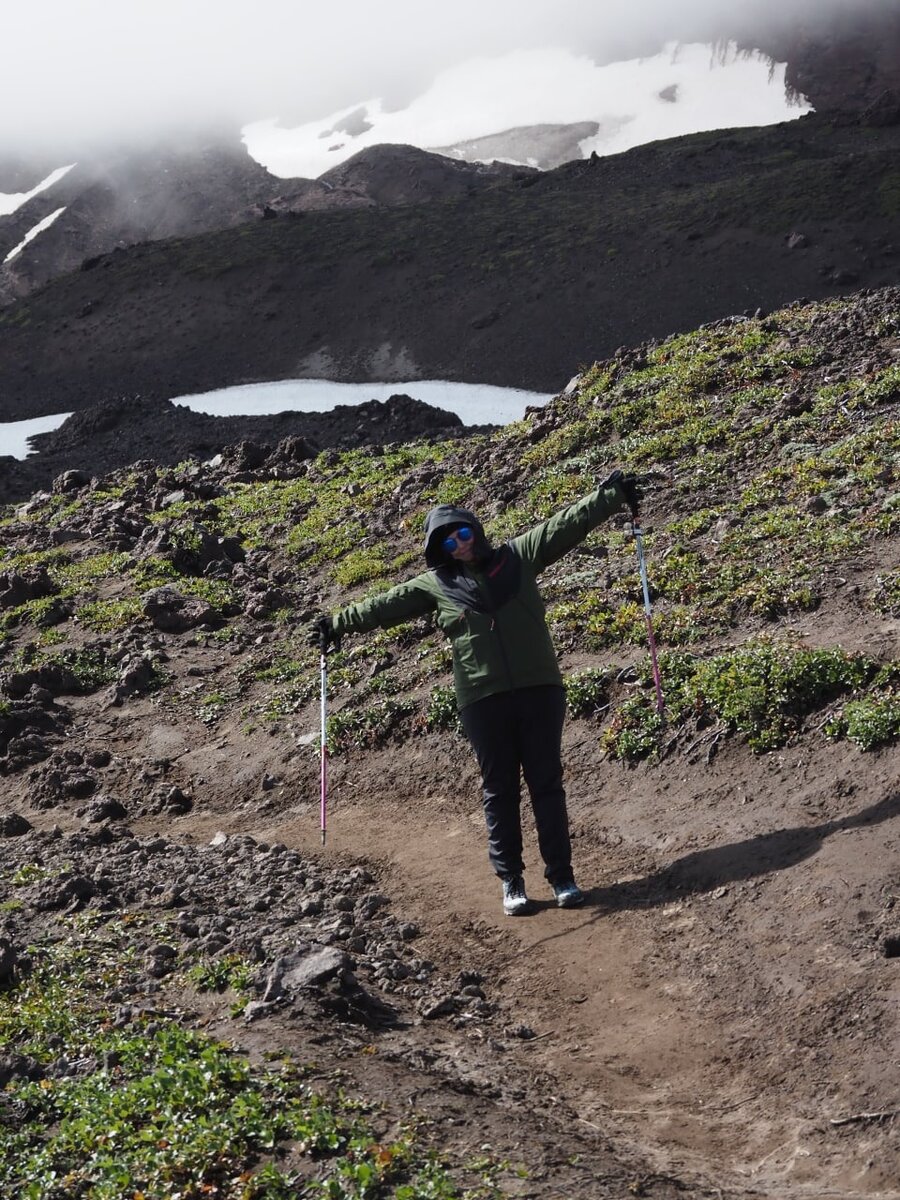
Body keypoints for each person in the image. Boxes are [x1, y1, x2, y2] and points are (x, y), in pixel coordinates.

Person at [308, 470, 643, 917]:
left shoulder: (519, 556)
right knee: (499, 790)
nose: (459, 544)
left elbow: (565, 524)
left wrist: (610, 496)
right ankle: (512, 882)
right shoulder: (435, 585)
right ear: (437, 550)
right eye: (447, 542)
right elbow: (385, 605)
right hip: (481, 700)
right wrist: (337, 623)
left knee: (547, 785)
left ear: (476, 530)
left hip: (540, 689)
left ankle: (562, 876)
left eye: (463, 533)